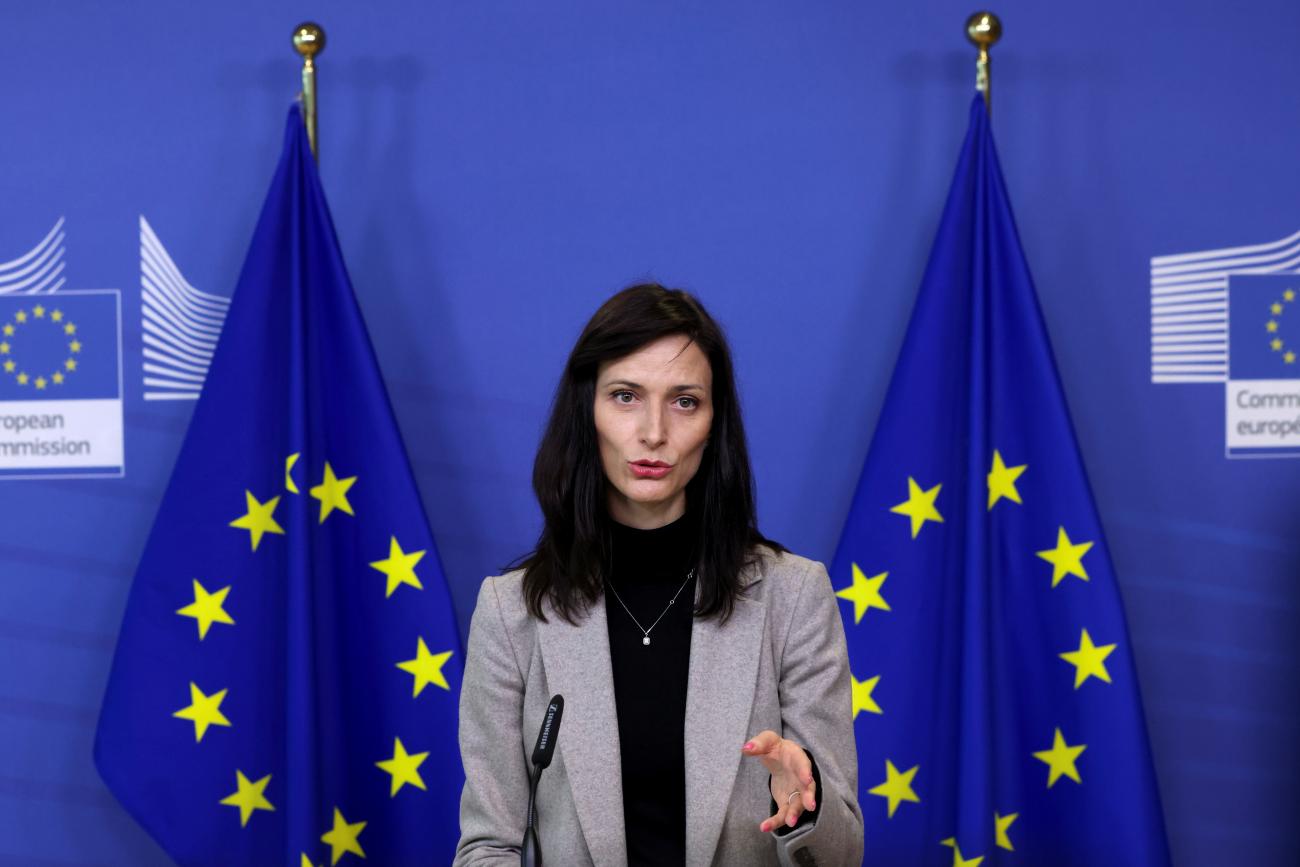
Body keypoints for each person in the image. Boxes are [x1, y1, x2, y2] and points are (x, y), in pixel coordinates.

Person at [454, 284, 863, 866]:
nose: (653, 432)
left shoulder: (793, 596)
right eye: (625, 396)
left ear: (714, 422)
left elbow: (845, 856)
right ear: (586, 411)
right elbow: (486, 847)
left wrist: (807, 806)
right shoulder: (511, 611)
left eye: (684, 401)